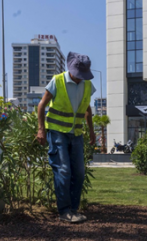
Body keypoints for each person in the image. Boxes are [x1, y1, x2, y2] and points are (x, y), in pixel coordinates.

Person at [36, 52, 97, 222]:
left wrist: (92, 131)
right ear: (70, 70)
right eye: (78, 75)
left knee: (79, 172)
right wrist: (41, 130)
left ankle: (73, 210)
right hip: (56, 132)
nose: (80, 79)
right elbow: (42, 105)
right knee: (63, 170)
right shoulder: (57, 81)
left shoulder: (87, 84)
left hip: (76, 134)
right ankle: (64, 212)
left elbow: (88, 109)